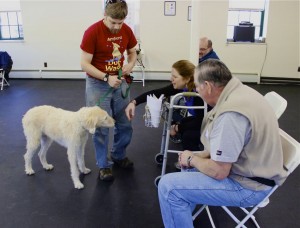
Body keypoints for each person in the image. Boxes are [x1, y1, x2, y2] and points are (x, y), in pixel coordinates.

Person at [158, 59, 288, 228]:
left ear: (208, 86)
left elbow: (219, 172)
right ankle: (179, 210)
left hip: (248, 188)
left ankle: (177, 204)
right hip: (256, 172)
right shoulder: (241, 91)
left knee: (168, 188)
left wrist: (192, 159)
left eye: (197, 86)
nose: (196, 90)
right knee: (188, 165)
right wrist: (195, 157)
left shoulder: (231, 114)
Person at [80, 0, 137, 181]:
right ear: (105, 15)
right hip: (98, 84)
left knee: (125, 124)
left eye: (120, 23)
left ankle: (118, 155)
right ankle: (103, 165)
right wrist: (106, 77)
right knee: (100, 128)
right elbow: (84, 64)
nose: (116, 26)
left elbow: (133, 52)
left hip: (120, 81)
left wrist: (130, 63)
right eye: (113, 22)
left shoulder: (126, 30)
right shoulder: (92, 32)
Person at [125, 60, 208, 151]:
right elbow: (157, 93)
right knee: (184, 122)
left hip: (210, 125)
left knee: (188, 135)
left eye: (175, 77)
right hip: (202, 120)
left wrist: (177, 128)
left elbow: (202, 121)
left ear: (187, 79)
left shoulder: (198, 95)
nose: (170, 79)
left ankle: (194, 161)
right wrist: (134, 102)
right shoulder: (184, 87)